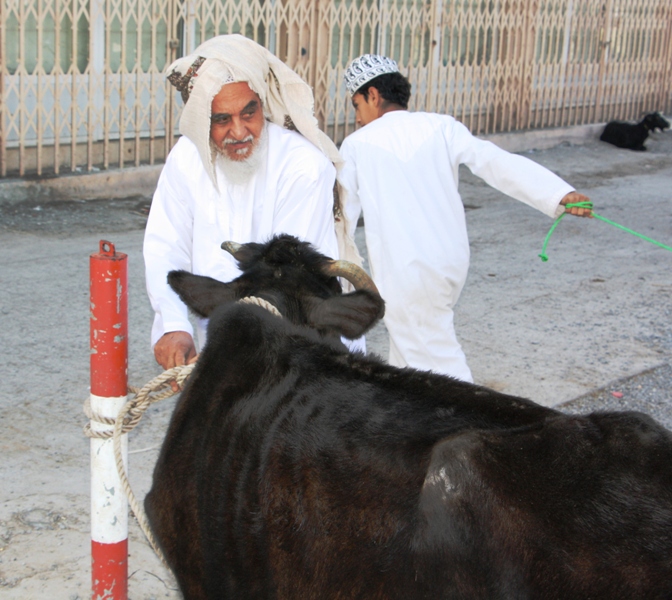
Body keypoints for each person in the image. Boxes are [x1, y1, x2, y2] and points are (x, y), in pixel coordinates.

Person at [338, 54, 593, 382]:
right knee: (410, 354)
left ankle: (475, 424)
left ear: (373, 95)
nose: (357, 118)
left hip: (407, 271)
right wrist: (556, 193)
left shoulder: (357, 144)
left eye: (356, 105)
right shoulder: (442, 126)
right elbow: (496, 162)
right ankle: (414, 427)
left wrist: (335, 272)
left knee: (438, 363)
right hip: (448, 263)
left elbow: (342, 214)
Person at [144, 34, 360, 372]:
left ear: (263, 103)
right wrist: (174, 326)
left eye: (249, 112)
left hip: (303, 348)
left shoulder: (302, 166)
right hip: (225, 343)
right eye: (222, 119)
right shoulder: (186, 159)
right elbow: (165, 247)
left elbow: (288, 281)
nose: (240, 131)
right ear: (203, 120)